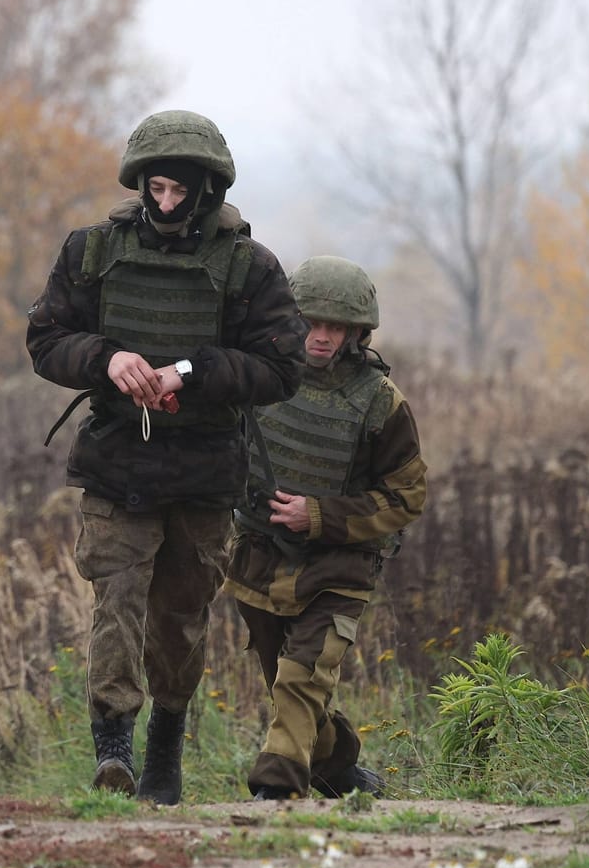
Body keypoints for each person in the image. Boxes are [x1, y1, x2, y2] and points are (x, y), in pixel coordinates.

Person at [25, 110, 305, 804]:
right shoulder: (92, 252)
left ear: (207, 190)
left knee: (180, 619)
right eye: (157, 189)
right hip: (118, 459)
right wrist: (107, 357)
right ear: (141, 183)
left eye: (182, 192)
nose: (167, 203)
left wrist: (193, 371)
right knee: (116, 599)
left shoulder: (248, 268)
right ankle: (112, 743)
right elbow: (46, 338)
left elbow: (283, 367)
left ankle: (164, 750)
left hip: (206, 468)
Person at [226, 256, 427, 800]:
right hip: (260, 559)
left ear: (357, 333)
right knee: (289, 687)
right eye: (311, 323)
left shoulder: (381, 404)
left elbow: (407, 495)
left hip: (340, 567)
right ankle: (337, 768)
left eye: (335, 327)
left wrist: (318, 516)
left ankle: (276, 787)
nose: (320, 338)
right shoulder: (260, 376)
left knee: (302, 677)